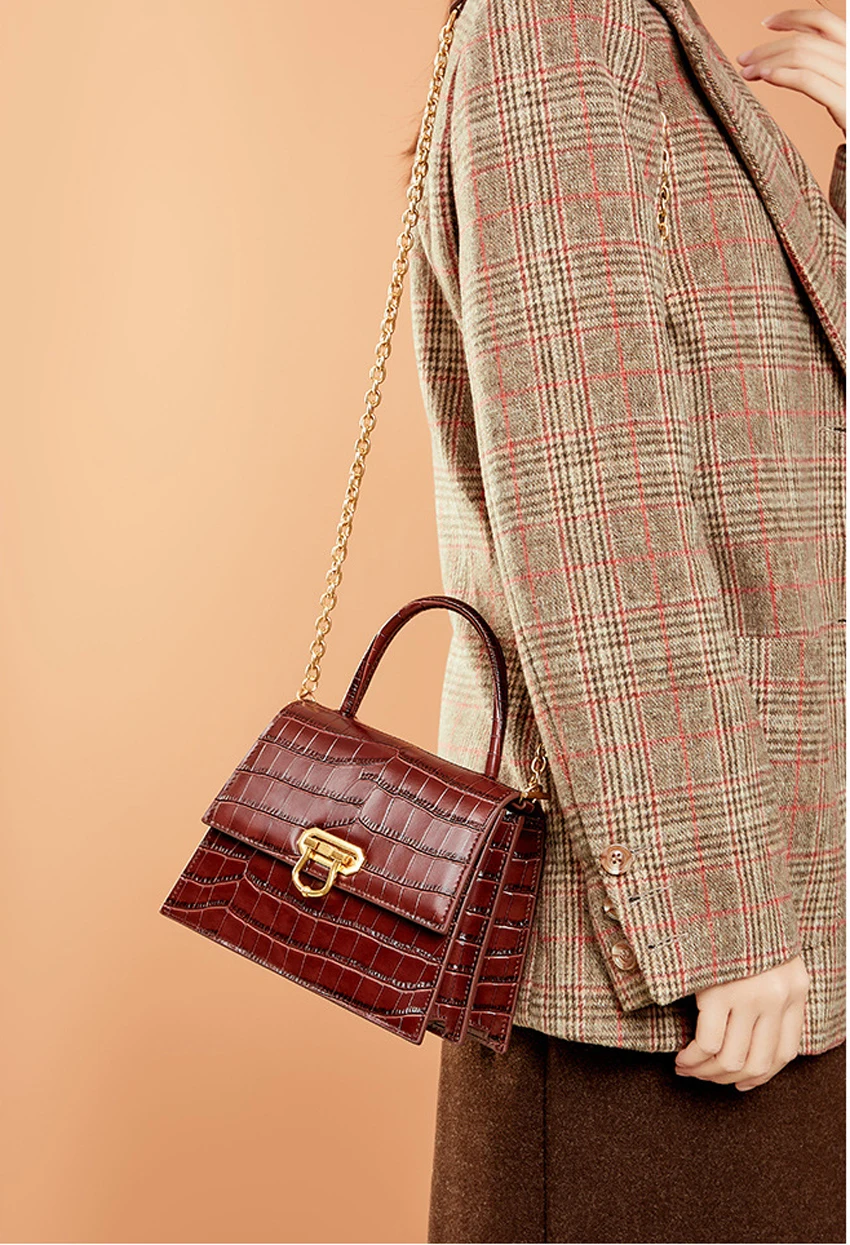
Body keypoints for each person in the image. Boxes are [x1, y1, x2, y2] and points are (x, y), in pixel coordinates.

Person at [407, 0, 846, 1240]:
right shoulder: (555, 25)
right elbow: (591, 503)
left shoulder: (646, 38)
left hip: (779, 912)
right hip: (665, 971)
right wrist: (720, 919)